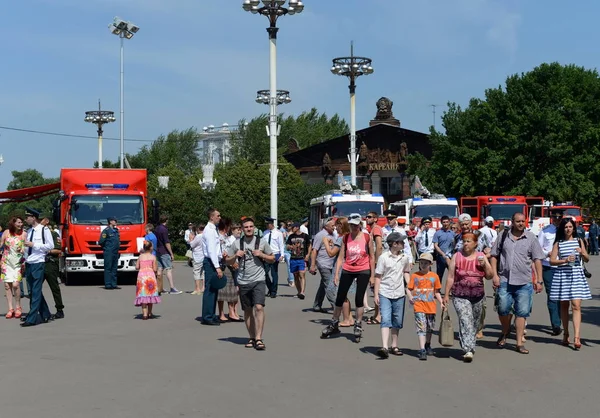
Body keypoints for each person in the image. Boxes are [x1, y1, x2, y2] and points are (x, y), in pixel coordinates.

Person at [491, 212, 544, 355]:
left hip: (524, 282)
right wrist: (495, 275)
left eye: (523, 221)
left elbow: (537, 259)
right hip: (505, 280)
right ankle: (505, 331)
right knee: (503, 309)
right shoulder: (503, 236)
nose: (521, 223)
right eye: (518, 221)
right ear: (512, 222)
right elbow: (494, 256)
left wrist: (539, 280)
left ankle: (519, 343)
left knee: (522, 313)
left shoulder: (531, 238)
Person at [321, 213, 374, 343]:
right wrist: (337, 273)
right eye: (352, 225)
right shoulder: (346, 238)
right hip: (348, 269)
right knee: (340, 297)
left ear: (360, 225)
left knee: (358, 298)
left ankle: (358, 324)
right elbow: (340, 257)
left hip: (363, 269)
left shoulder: (366, 237)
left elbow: (372, 257)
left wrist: (372, 275)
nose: (354, 228)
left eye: (356, 225)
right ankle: (334, 323)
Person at [444, 233, 494, 362]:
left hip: (478, 295)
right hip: (460, 295)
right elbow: (450, 277)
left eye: (469, 241)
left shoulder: (481, 257)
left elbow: (489, 276)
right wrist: (446, 294)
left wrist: (485, 265)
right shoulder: (457, 256)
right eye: (464, 241)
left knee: (475, 324)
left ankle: (470, 343)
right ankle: (468, 349)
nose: (466, 243)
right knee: (465, 320)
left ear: (475, 243)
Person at [226, 217, 274, 350]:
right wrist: (235, 255)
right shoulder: (236, 244)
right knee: (247, 310)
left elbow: (272, 258)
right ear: (242, 229)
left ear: (254, 228)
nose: (249, 229)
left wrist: (262, 255)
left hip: (258, 279)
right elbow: (228, 262)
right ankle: (251, 337)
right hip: (243, 280)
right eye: (246, 227)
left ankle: (258, 338)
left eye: (251, 226)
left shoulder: (261, 242)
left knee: (258, 307)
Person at [549, 217, 592, 350]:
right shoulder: (558, 243)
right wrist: (565, 260)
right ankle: (566, 333)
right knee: (564, 305)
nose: (568, 229)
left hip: (576, 275)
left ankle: (577, 336)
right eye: (566, 227)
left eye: (570, 227)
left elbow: (587, 259)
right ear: (562, 228)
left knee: (576, 305)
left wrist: (582, 252)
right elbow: (552, 261)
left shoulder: (579, 241)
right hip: (562, 276)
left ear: (574, 228)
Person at [373, 232, 411, 359]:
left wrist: (410, 286)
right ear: (394, 244)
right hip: (385, 292)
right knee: (386, 319)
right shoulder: (384, 257)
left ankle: (394, 345)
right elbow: (378, 276)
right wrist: (376, 294)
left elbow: (406, 272)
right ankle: (384, 346)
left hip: (399, 292)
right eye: (401, 242)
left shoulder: (404, 257)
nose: (404, 244)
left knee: (397, 320)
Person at [407, 253, 444, 361]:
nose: (423, 265)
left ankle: (428, 344)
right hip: (419, 305)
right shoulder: (415, 276)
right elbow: (409, 288)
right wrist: (410, 297)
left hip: (431, 306)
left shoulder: (434, 276)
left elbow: (436, 292)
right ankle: (422, 349)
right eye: (421, 263)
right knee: (421, 327)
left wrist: (441, 302)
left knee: (430, 328)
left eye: (425, 263)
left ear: (430, 264)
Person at [21, 208, 54, 327]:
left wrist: (34, 244)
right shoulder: (29, 231)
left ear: (34, 217)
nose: (26, 219)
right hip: (29, 263)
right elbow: (26, 248)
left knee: (35, 291)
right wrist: (24, 260)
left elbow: (50, 245)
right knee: (33, 291)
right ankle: (45, 313)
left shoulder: (44, 230)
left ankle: (32, 318)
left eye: (27, 217)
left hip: (38, 262)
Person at [537, 209, 564, 336]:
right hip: (548, 267)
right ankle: (556, 324)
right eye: (555, 217)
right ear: (551, 218)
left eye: (559, 218)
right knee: (552, 295)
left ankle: (560, 319)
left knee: (562, 296)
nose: (557, 220)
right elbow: (537, 250)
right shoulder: (545, 231)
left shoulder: (567, 230)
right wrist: (547, 254)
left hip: (563, 267)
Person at [1, 216, 26, 319]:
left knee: (16, 285)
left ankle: (18, 307)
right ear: (13, 223)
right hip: (6, 261)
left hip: (17, 262)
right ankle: (10, 308)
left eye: (21, 223)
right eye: (19, 222)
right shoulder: (6, 232)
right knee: (7, 286)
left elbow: (25, 247)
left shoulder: (24, 233)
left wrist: (23, 250)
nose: (21, 224)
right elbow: (1, 244)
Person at [201, 208, 223, 326]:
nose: (220, 217)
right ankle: (207, 316)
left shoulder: (214, 229)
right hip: (210, 262)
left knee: (214, 289)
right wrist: (217, 267)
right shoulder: (209, 230)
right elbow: (211, 250)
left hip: (213, 261)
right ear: (211, 217)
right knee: (210, 289)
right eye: (218, 216)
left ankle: (212, 314)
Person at [309, 218, 336, 312]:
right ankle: (336, 306)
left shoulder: (334, 234)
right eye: (332, 226)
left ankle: (317, 304)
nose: (334, 227)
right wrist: (312, 265)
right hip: (323, 263)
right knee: (329, 284)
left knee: (323, 285)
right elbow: (314, 250)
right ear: (326, 226)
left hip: (332, 264)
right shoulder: (320, 235)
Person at [41, 217, 64, 319]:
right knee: (34, 289)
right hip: (39, 263)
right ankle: (37, 311)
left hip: (50, 263)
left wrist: (45, 250)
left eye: (40, 220)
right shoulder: (35, 233)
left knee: (54, 288)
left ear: (46, 221)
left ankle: (59, 310)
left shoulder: (53, 234)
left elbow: (58, 250)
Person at [155, 215, 182, 295]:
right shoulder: (164, 230)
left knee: (160, 269)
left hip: (158, 250)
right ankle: (172, 287)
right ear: (166, 220)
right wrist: (171, 253)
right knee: (168, 269)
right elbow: (167, 242)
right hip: (164, 251)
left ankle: (159, 287)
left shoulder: (157, 229)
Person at [134, 240, 161, 319]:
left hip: (141, 276)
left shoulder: (140, 256)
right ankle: (149, 313)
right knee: (150, 294)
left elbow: (136, 267)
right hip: (150, 276)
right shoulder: (153, 257)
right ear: (151, 248)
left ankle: (144, 314)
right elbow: (155, 269)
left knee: (143, 294)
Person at [286, 223, 311, 299]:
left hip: (301, 259)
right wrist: (290, 246)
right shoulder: (291, 236)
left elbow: (309, 245)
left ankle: (302, 292)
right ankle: (299, 291)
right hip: (293, 258)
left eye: (292, 227)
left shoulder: (305, 236)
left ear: (297, 228)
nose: (291, 228)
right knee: (296, 276)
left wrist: (308, 255)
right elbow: (287, 246)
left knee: (302, 275)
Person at [263, 217, 285, 298]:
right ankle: (271, 288)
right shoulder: (265, 233)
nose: (267, 225)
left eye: (268, 224)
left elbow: (281, 245)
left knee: (274, 273)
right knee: (264, 273)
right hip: (267, 254)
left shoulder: (278, 233)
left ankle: (274, 291)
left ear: (272, 224)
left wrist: (282, 255)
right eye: (266, 224)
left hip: (275, 254)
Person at [99, 216, 121, 290]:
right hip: (109, 252)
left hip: (115, 252)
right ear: (110, 222)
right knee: (108, 268)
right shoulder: (106, 231)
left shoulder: (116, 230)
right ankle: (108, 284)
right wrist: (106, 248)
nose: (116, 222)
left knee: (114, 268)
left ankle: (114, 284)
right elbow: (101, 241)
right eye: (114, 220)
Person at [432, 215, 455, 283]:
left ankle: (452, 291)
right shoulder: (437, 233)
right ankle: (437, 291)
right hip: (441, 257)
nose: (445, 224)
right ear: (441, 223)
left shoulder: (453, 233)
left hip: (450, 257)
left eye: (447, 222)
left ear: (449, 222)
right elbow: (435, 245)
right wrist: (442, 253)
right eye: (444, 222)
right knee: (439, 275)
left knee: (452, 274)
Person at [189, 224, 205, 295]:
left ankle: (197, 288)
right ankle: (203, 287)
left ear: (198, 229)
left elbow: (192, 245)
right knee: (203, 272)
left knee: (196, 272)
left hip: (197, 256)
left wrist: (191, 239)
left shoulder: (198, 236)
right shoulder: (206, 236)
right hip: (204, 256)